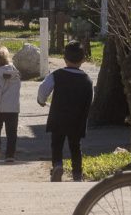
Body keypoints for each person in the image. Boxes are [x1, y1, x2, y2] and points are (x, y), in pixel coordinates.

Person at [37, 42, 93, 181]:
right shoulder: (87, 80)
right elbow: (90, 99)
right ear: (83, 60)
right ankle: (77, 174)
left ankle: (57, 165)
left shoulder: (57, 75)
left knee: (56, 143)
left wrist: (41, 100)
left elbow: (43, 88)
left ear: (64, 59)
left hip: (58, 117)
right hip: (77, 119)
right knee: (75, 146)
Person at [0, 45, 21, 161]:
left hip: (0, 109)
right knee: (12, 133)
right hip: (13, 108)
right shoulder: (15, 73)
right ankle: (10, 155)